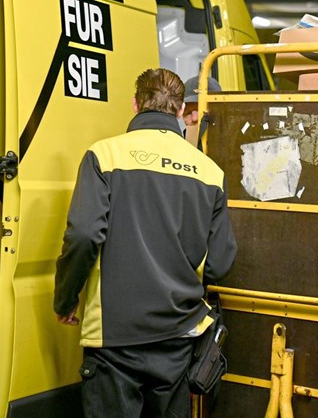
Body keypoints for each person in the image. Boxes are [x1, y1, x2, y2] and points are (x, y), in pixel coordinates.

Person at [54, 68, 237, 418]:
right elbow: (220, 263)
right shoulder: (210, 173)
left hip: (114, 339)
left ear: (136, 103)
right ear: (181, 110)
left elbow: (83, 235)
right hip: (179, 336)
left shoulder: (103, 157)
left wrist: (65, 298)